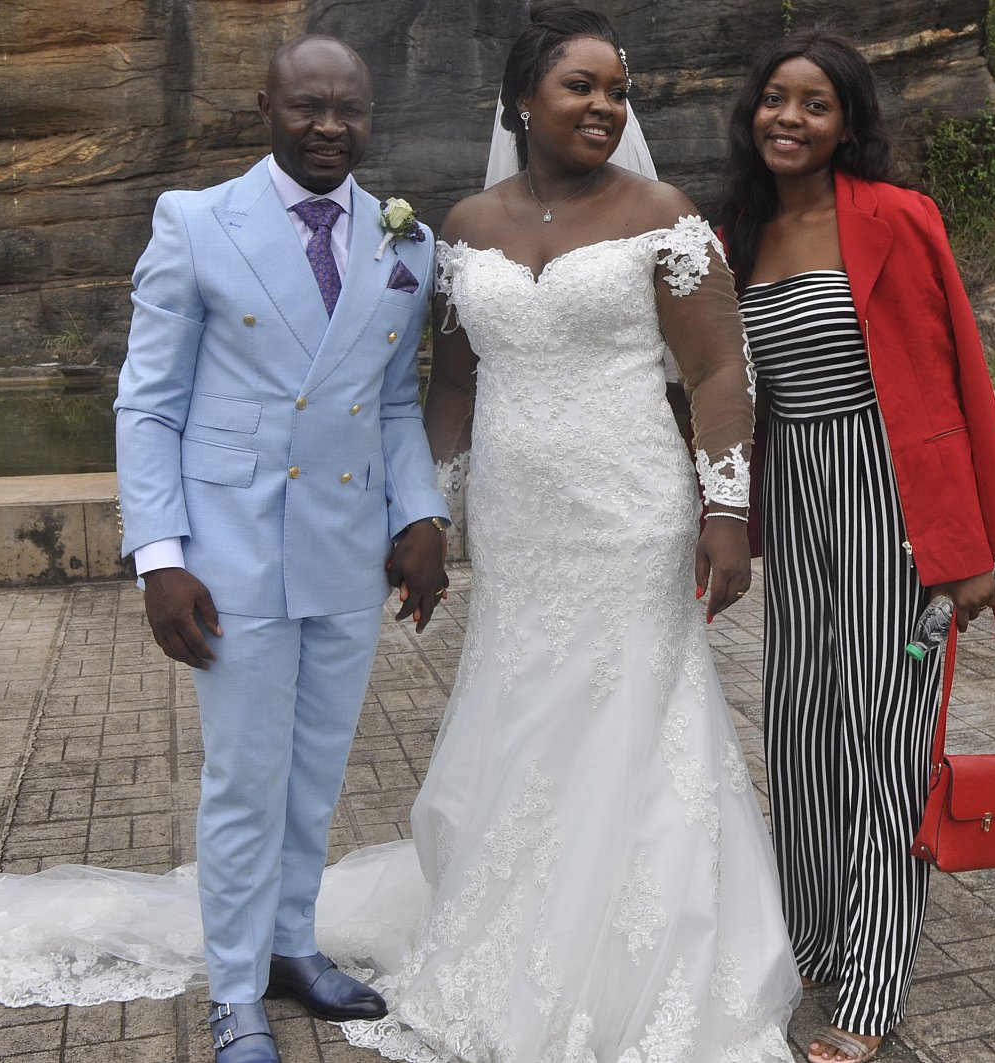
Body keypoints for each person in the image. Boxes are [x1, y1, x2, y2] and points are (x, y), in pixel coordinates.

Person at [309, 5, 801, 1061]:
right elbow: (452, 383)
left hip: (630, 510)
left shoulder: (660, 213)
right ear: (522, 102)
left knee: (632, 716)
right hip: (518, 521)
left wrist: (726, 508)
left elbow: (719, 369)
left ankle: (640, 959)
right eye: (581, 86)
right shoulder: (466, 224)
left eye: (617, 90)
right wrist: (426, 511)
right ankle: (520, 925)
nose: (605, 106)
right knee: (524, 710)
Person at [112, 35, 451, 1062]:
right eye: (307, 105)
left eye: (349, 108)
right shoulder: (196, 221)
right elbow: (148, 404)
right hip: (230, 557)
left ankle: (291, 944)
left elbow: (395, 404)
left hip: (346, 550)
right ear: (265, 106)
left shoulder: (407, 241)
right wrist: (160, 556)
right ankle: (233, 988)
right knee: (244, 778)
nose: (329, 126)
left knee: (314, 774)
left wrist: (421, 517)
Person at [719, 30, 995, 1063]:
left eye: (815, 103)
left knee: (885, 739)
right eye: (776, 97)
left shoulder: (898, 217)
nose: (790, 118)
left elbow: (958, 380)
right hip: (795, 501)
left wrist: (972, 545)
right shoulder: (736, 231)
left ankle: (875, 979)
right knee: (802, 728)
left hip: (890, 501)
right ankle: (812, 942)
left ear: (847, 122)